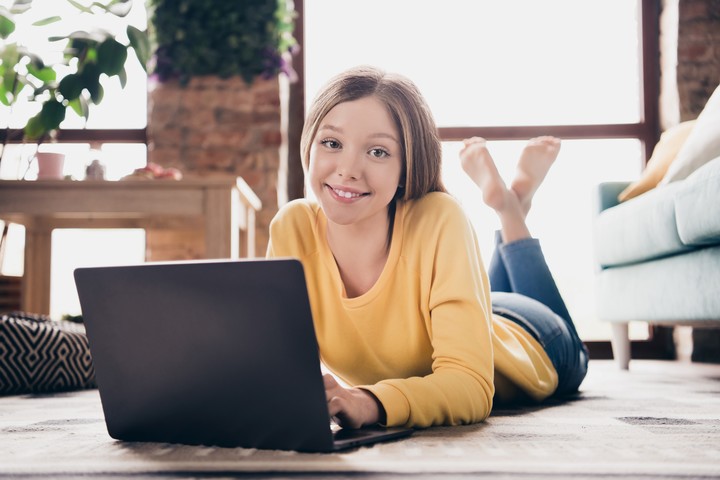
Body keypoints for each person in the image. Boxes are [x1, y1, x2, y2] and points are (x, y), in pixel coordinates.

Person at [266, 65, 588, 430]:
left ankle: (511, 212)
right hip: (465, 313)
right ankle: (514, 202)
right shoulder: (292, 227)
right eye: (332, 143)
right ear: (310, 144)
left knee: (575, 347)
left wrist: (370, 401)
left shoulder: (440, 218)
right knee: (478, 298)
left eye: (377, 151)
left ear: (407, 166)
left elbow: (471, 387)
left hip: (531, 336)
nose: (347, 169)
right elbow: (280, 367)